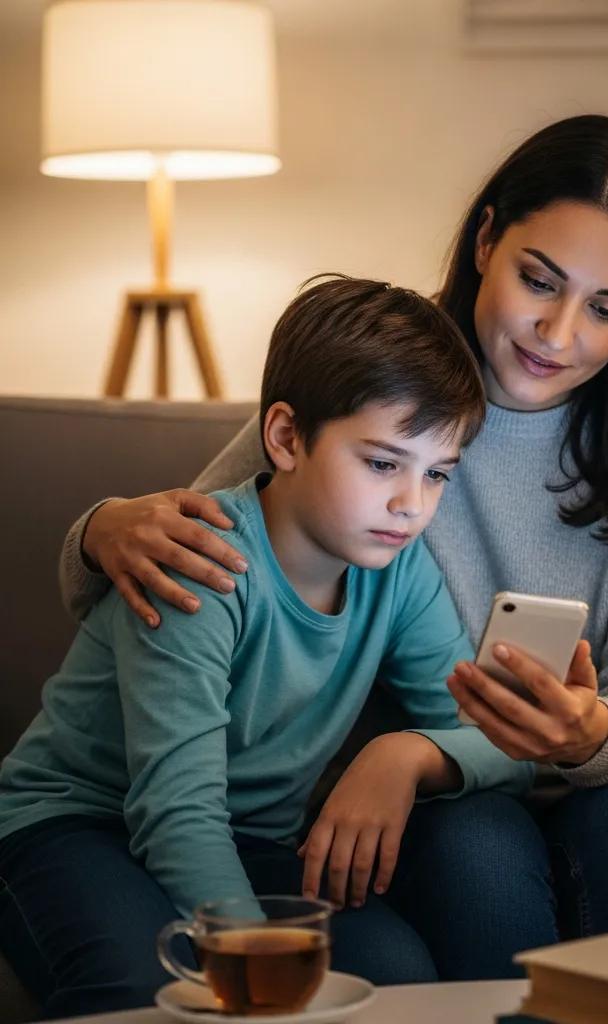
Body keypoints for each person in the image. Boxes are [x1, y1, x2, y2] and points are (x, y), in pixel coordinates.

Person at [56, 114, 608, 980]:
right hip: (449, 794)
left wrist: (575, 734)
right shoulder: (384, 385)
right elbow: (188, 564)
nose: (559, 334)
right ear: (488, 239)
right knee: (474, 857)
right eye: (540, 281)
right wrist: (101, 530)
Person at [0, 276, 533, 1018]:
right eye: (383, 463)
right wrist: (255, 961)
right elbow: (173, 807)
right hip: (80, 823)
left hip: (253, 839)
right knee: (139, 991)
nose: (413, 504)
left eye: (436, 473)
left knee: (395, 974)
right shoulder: (202, 561)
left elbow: (504, 739)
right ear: (286, 438)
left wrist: (413, 753)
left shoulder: (400, 569)